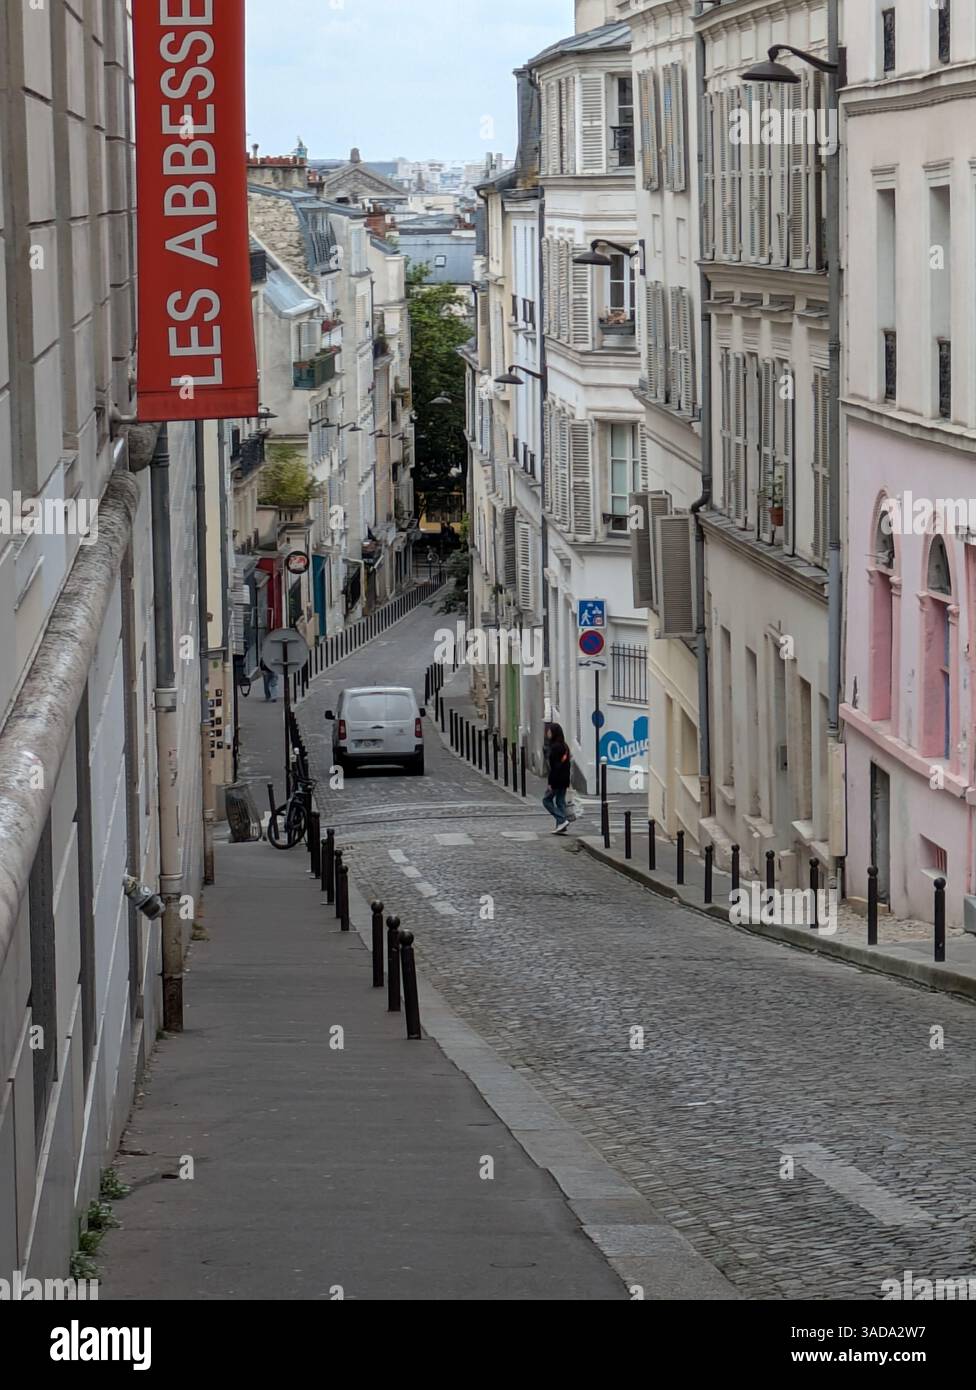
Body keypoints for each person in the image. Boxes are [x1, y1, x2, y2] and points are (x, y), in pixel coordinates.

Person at [543, 723, 572, 834]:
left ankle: (562, 820)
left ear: (554, 732)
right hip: (564, 779)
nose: (547, 733)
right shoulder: (565, 746)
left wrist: (551, 783)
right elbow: (566, 764)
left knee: (546, 800)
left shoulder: (555, 747)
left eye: (549, 731)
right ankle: (561, 826)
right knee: (560, 802)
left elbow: (554, 767)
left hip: (557, 779)